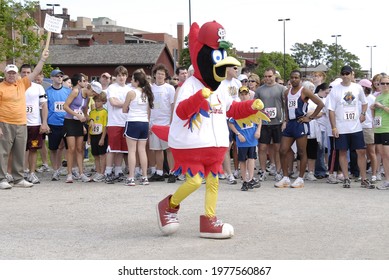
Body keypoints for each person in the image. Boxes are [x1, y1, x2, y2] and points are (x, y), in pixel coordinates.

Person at [154, 20, 270, 239]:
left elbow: (231, 109)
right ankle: (169, 205)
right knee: (195, 181)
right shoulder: (190, 85)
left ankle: (209, 220)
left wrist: (250, 106)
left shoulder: (221, 88)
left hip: (215, 147)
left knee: (214, 182)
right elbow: (181, 112)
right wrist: (200, 97)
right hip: (192, 145)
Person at [0, 49, 49, 190]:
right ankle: (2, 178)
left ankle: (18, 178)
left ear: (17, 75)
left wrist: (43, 59)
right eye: (9, 73)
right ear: (5, 74)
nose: (11, 75)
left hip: (21, 123)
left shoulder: (22, 84)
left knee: (20, 151)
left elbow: (34, 73)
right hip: (5, 123)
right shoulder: (1, 87)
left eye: (13, 73)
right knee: (3, 152)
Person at [275, 70, 324, 188]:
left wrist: (310, 117)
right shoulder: (287, 93)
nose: (294, 79)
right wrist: (286, 120)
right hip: (290, 124)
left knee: (301, 152)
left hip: (300, 123)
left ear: (300, 79)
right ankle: (285, 177)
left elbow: (320, 104)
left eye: (296, 77)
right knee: (282, 150)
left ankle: (301, 178)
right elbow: (286, 107)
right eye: (292, 77)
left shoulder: (304, 91)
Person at [327, 66, 373, 189]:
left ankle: (363, 178)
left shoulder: (357, 88)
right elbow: (330, 110)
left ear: (352, 74)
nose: (345, 75)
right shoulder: (335, 90)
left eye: (348, 73)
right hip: (341, 127)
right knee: (342, 152)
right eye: (343, 73)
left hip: (356, 127)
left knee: (361, 152)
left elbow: (365, 102)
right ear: (341, 74)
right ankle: (346, 178)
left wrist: (363, 114)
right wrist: (334, 127)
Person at [63, 75, 99, 183]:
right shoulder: (75, 91)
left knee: (80, 149)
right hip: (70, 121)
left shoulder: (87, 98)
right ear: (89, 88)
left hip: (79, 123)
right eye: (93, 93)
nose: (93, 95)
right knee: (71, 148)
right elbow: (65, 106)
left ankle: (81, 173)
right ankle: (69, 174)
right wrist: (77, 115)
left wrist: (90, 119)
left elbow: (84, 112)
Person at [122, 71, 154, 186]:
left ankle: (131, 177)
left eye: (132, 79)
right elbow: (149, 111)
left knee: (132, 150)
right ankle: (145, 176)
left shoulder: (131, 92)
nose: (131, 81)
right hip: (144, 122)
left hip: (133, 121)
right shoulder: (147, 93)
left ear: (137, 81)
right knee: (142, 150)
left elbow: (124, 109)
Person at [254, 67, 286, 182]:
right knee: (262, 147)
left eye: (270, 76)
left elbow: (285, 106)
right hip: (264, 123)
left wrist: (285, 120)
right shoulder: (259, 90)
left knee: (277, 148)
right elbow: (255, 107)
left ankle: (278, 171)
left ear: (275, 76)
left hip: (277, 122)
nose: (267, 78)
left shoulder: (282, 89)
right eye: (266, 76)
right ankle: (263, 171)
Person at [20, 64, 49, 184]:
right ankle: (18, 172)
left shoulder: (38, 88)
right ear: (20, 73)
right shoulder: (17, 86)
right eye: (23, 73)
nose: (26, 75)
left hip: (34, 124)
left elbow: (44, 105)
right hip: (19, 123)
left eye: (28, 72)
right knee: (18, 150)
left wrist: (44, 122)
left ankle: (31, 173)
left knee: (33, 149)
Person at [228, 86, 261, 191]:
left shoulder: (253, 106)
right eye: (241, 94)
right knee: (242, 160)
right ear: (239, 95)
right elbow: (231, 122)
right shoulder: (237, 107)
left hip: (252, 138)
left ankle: (250, 178)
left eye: (245, 94)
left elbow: (259, 119)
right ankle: (244, 180)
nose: (244, 96)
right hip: (242, 139)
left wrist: (258, 130)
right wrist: (238, 134)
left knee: (252, 158)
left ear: (249, 94)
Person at [148, 64, 176, 183]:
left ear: (165, 76)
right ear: (154, 75)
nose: (160, 76)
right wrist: (149, 122)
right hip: (154, 123)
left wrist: (171, 121)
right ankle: (159, 172)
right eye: (158, 73)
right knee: (157, 149)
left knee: (168, 149)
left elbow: (172, 105)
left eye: (162, 74)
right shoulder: (150, 88)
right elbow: (148, 106)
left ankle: (172, 172)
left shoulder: (169, 88)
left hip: (166, 123)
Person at [104, 66, 131, 183]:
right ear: (116, 76)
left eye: (124, 75)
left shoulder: (129, 88)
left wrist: (125, 104)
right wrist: (126, 104)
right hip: (114, 122)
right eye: (119, 75)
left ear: (126, 76)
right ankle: (108, 171)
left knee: (121, 149)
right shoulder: (112, 87)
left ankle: (118, 171)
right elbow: (113, 102)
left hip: (126, 121)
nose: (121, 77)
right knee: (112, 149)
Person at [46, 69, 72, 181]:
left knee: (70, 148)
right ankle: (55, 170)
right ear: (52, 78)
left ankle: (71, 170)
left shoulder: (68, 91)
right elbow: (45, 108)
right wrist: (45, 123)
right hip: (53, 123)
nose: (59, 78)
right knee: (53, 148)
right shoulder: (47, 92)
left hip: (66, 122)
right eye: (57, 76)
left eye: (61, 76)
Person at [371, 74, 389, 190]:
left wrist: (381, 107)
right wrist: (372, 109)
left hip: (387, 129)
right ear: (379, 84)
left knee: (387, 155)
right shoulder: (378, 96)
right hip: (379, 129)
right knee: (383, 156)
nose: (385, 85)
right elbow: (375, 116)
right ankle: (387, 180)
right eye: (383, 83)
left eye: (388, 83)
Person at [359, 79, 378, 183]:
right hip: (358, 127)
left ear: (365, 87)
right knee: (361, 152)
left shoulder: (372, 98)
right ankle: (363, 174)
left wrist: (374, 126)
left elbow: (374, 114)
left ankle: (374, 174)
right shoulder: (357, 98)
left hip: (369, 127)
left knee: (371, 152)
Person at [88, 92, 108, 182]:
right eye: (95, 101)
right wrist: (88, 137)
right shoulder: (92, 112)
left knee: (102, 155)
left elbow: (105, 126)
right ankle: (98, 171)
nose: (96, 103)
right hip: (93, 135)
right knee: (95, 155)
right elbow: (90, 126)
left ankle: (103, 173)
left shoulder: (105, 112)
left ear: (103, 102)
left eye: (99, 101)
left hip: (101, 135)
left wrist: (102, 138)